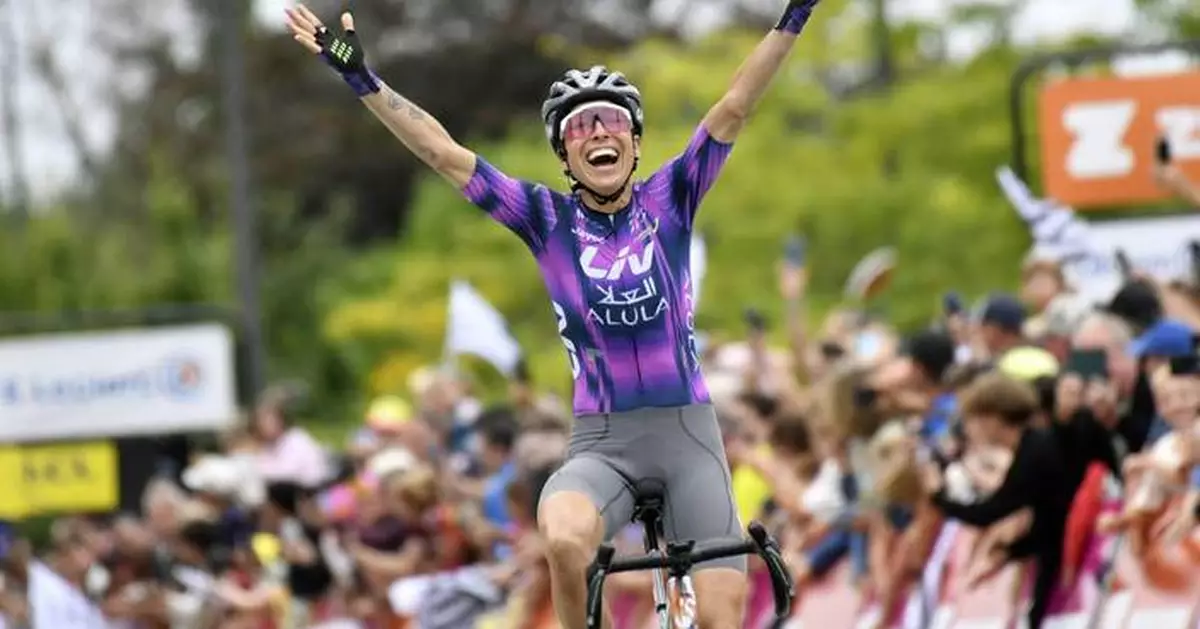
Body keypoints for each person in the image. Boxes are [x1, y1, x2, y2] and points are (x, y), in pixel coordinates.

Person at [284, 0, 825, 625]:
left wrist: (794, 17)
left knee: (719, 621)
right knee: (565, 539)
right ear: (565, 157)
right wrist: (364, 81)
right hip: (603, 443)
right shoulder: (545, 219)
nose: (597, 133)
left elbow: (734, 105)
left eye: (609, 121)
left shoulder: (673, 196)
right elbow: (443, 153)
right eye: (579, 128)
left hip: (689, 441)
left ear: (635, 139)